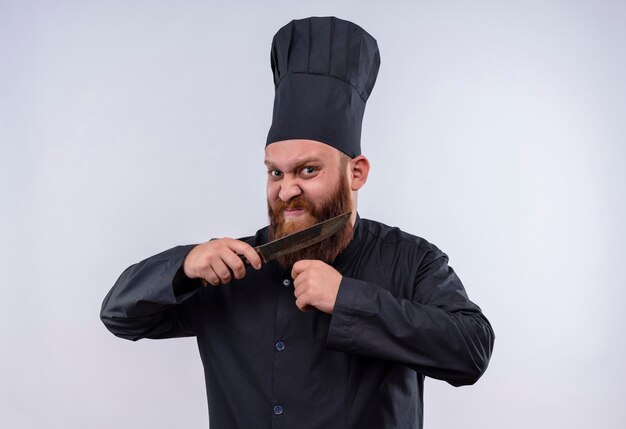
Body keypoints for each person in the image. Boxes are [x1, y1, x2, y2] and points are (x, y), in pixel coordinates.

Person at [101, 16, 494, 429]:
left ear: (356, 173)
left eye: (307, 171)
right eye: (276, 173)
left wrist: (348, 300)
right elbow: (120, 317)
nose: (287, 190)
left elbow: (472, 350)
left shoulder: (411, 260)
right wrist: (183, 267)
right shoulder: (228, 269)